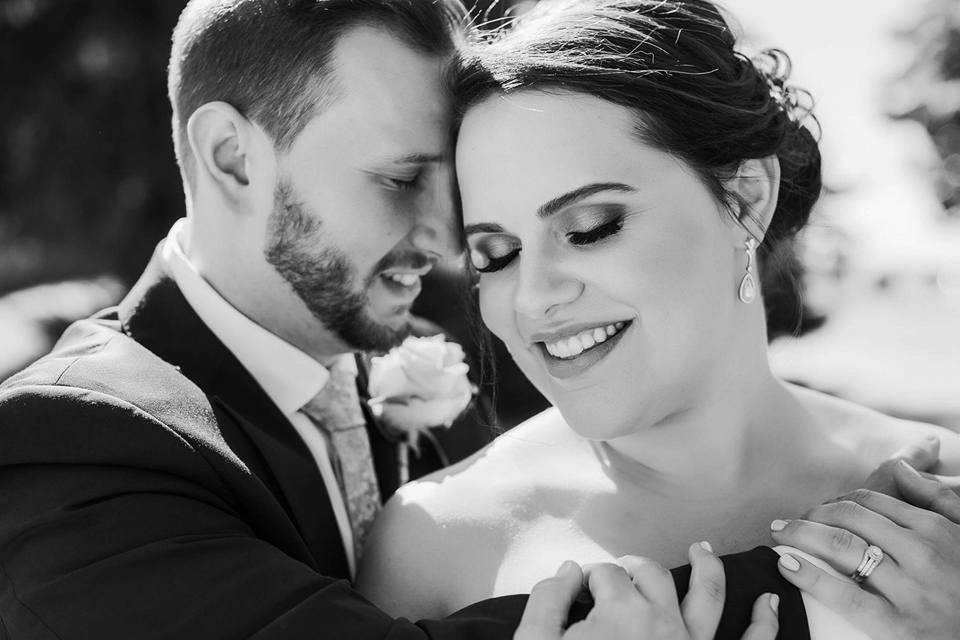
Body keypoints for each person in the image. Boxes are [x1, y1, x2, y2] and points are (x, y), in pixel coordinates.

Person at [0, 0, 785, 638]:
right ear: (233, 157)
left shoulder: (418, 363)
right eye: (401, 179)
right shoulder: (73, 439)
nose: (451, 244)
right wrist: (863, 573)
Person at [355, 1, 960, 638]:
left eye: (591, 229)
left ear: (746, 198)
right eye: (496, 255)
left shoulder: (940, 495)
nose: (532, 298)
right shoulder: (436, 540)